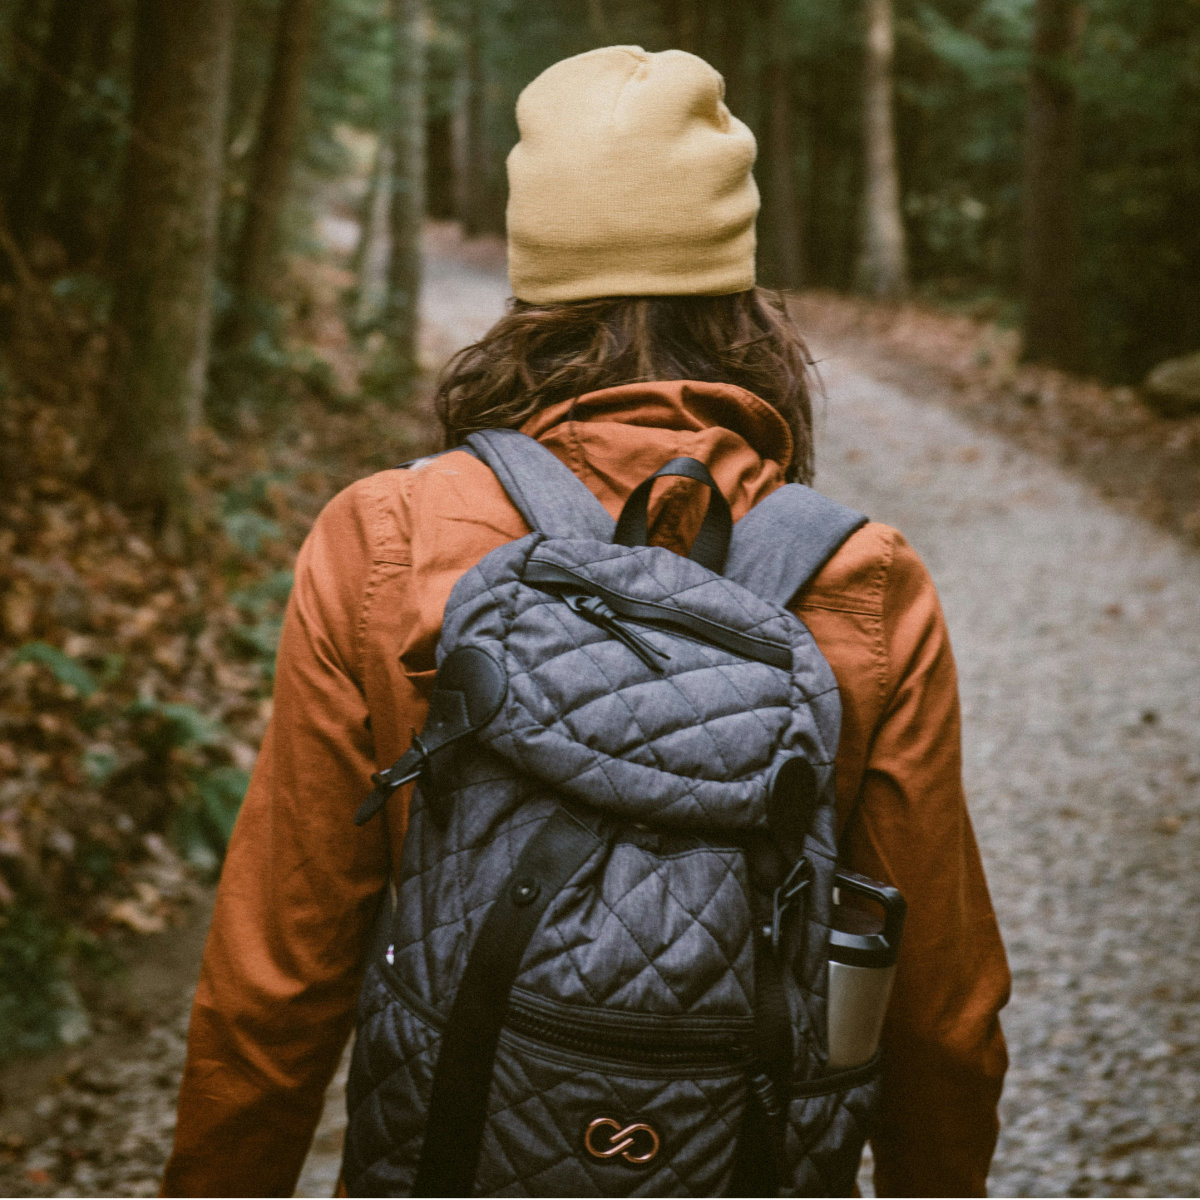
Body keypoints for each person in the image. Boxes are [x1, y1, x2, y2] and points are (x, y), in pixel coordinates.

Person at [162, 45, 1009, 1197]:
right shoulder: (864, 578)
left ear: (530, 283)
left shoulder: (387, 538)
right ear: (741, 295)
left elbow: (278, 976)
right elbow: (940, 1015)